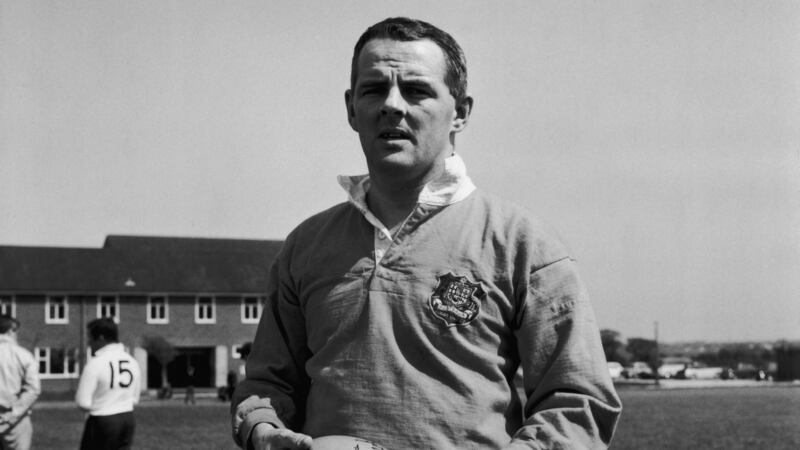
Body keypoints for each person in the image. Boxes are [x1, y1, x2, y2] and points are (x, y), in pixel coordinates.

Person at [232, 17, 621, 449]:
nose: (392, 105)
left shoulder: (524, 245)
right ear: (350, 108)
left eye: (417, 90)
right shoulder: (305, 245)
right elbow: (267, 386)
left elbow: (577, 403)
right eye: (374, 88)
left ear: (461, 113)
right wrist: (262, 431)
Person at [75, 318, 141, 450]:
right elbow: (135, 399)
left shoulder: (96, 362)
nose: (89, 343)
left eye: (90, 338)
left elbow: (83, 402)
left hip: (103, 421)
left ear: (100, 338)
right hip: (128, 419)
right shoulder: (132, 361)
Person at [0, 315, 40, 450]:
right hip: (16, 420)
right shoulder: (23, 355)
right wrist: (13, 414)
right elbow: (33, 389)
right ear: (11, 330)